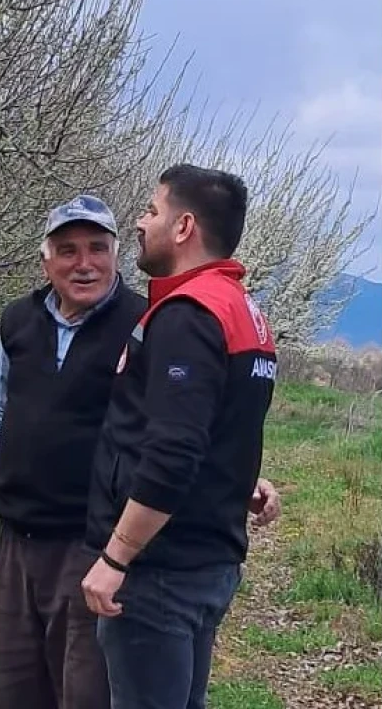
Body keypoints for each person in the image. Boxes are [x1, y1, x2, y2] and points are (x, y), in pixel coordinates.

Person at [81, 164, 282, 709]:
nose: (141, 222)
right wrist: (238, 480)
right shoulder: (243, 312)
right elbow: (224, 427)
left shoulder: (188, 315)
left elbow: (174, 450)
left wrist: (116, 558)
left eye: (152, 210)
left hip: (162, 569)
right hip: (209, 561)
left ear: (184, 226)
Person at [0, 194, 146, 708]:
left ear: (116, 255)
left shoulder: (143, 324)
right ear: (46, 261)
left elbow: (176, 426)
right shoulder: (19, 321)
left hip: (94, 540)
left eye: (97, 248)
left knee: (84, 690)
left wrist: (240, 479)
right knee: (17, 684)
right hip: (19, 536)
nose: (84, 263)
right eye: (67, 250)